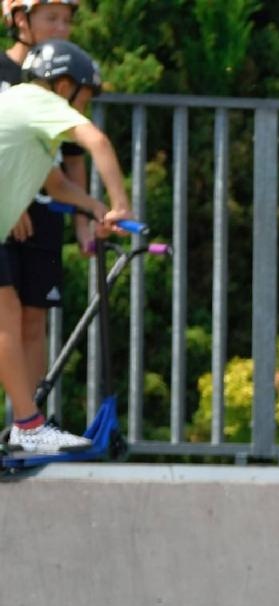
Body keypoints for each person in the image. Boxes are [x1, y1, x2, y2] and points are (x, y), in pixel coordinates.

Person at [0, 39, 127, 454]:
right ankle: (28, 425)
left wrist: (94, 207)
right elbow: (99, 142)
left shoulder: (23, 105)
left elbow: (53, 182)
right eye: (84, 96)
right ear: (65, 84)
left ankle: (26, 423)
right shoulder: (44, 102)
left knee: (8, 316)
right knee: (7, 319)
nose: (82, 108)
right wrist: (122, 206)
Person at [2, 0, 94, 423]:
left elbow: (73, 157)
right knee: (5, 317)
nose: (61, 28)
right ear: (20, 20)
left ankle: (30, 420)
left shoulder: (64, 77)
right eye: (50, 18)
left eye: (67, 20)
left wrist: (84, 220)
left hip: (44, 212)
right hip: (7, 209)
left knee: (33, 318)